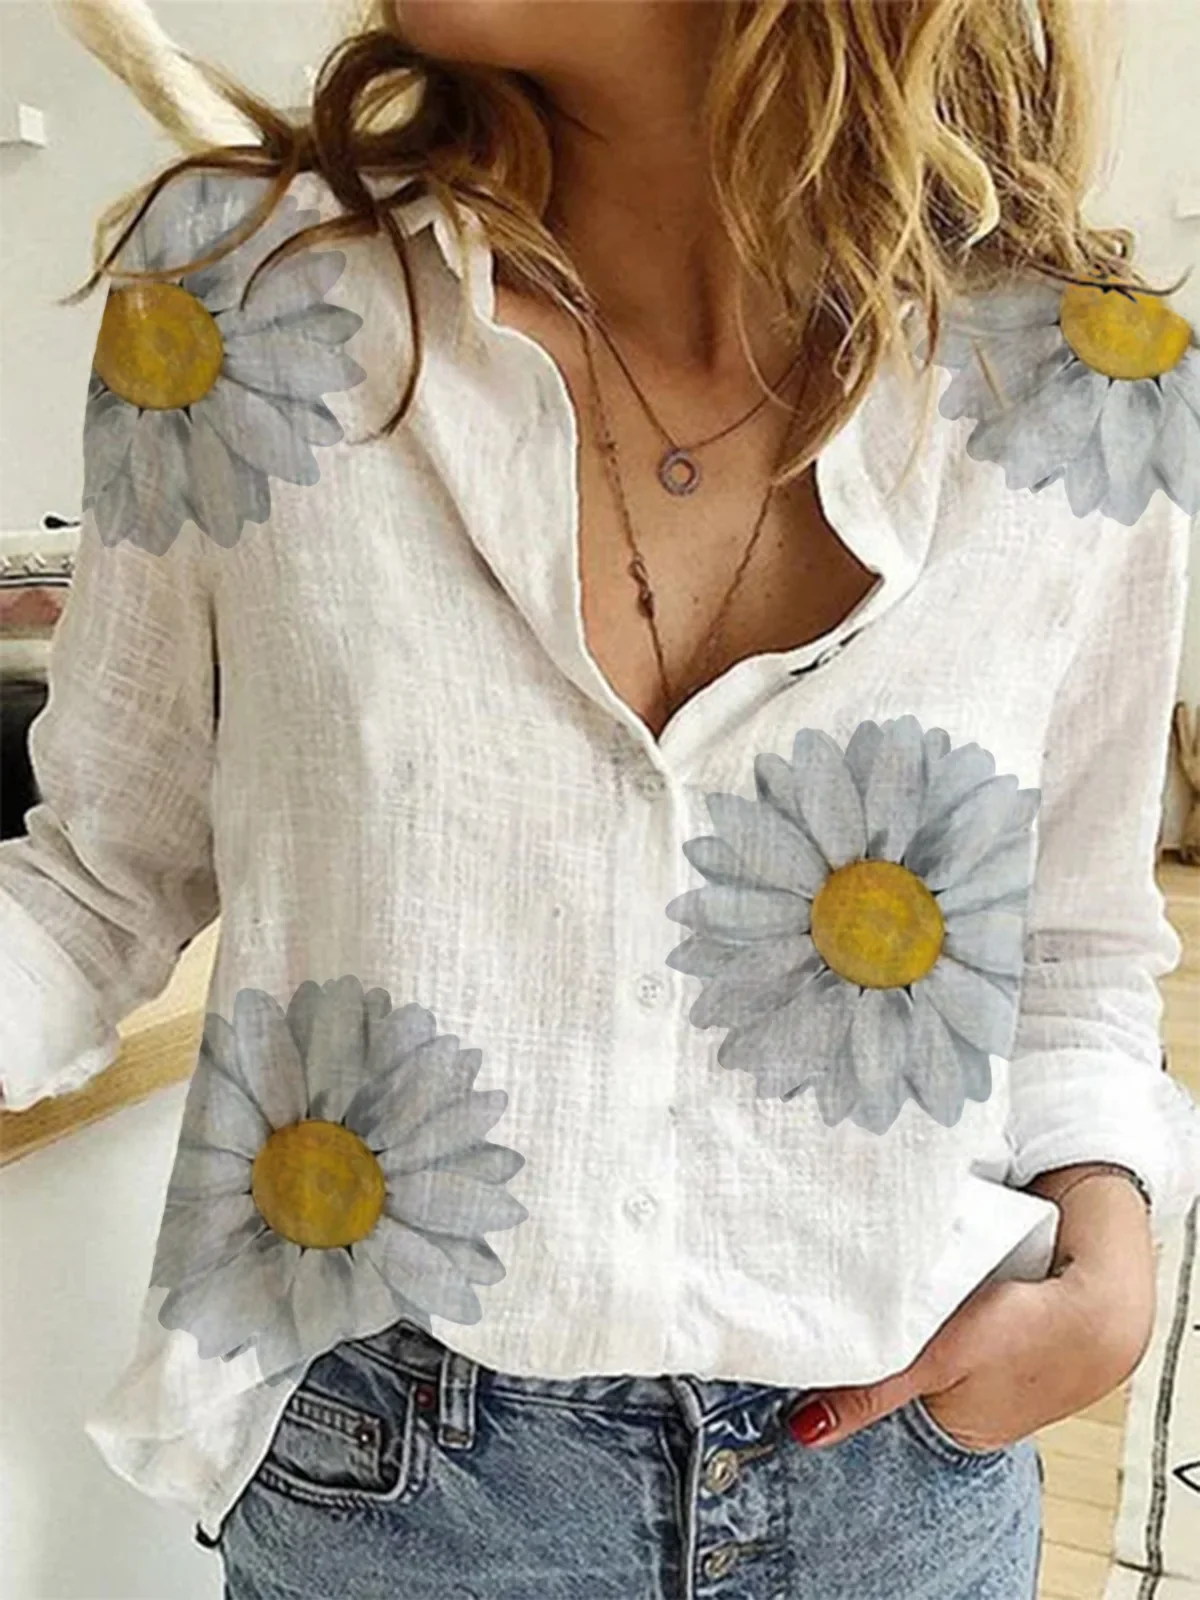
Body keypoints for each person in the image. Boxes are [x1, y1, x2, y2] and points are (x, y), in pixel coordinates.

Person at [3, 2, 1200, 1596]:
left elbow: (1073, 952)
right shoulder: (243, 298)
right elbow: (96, 881)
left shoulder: (1087, 382)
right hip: (398, 1495)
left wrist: (1111, 1241)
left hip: (903, 1481)